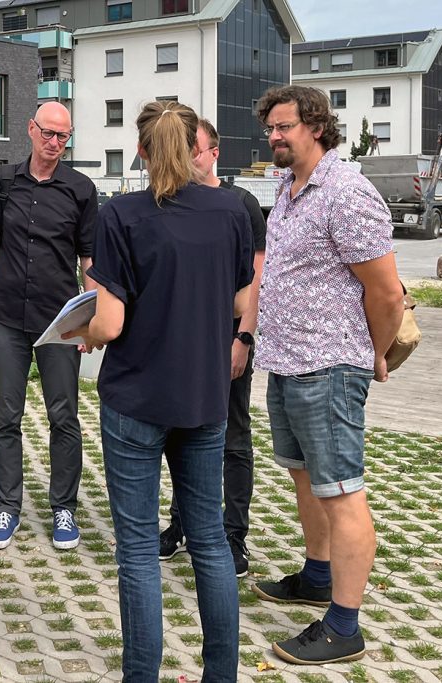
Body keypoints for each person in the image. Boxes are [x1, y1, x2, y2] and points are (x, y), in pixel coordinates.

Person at [70, 100, 253, 682]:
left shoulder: (120, 214)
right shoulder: (231, 211)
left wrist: (83, 330)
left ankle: (141, 675)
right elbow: (235, 295)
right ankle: (220, 673)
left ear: (143, 150)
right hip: (204, 398)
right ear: (194, 146)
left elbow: (111, 323)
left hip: (137, 400)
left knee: (138, 552)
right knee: (210, 542)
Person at [251, 85, 403, 666]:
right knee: (305, 478)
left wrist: (374, 353)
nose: (274, 136)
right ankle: (317, 576)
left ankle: (344, 625)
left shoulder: (346, 192)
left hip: (330, 366)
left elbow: (386, 292)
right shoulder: (289, 188)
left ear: (316, 126)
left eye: (283, 127)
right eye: (270, 128)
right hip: (287, 361)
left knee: (341, 491)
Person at [0, 102, 98, 551]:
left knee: (64, 416)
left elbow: (88, 260)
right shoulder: (4, 184)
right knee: (6, 415)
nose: (54, 142)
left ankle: (64, 508)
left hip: (58, 320)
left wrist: (87, 319)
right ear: (31, 129)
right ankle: (8, 507)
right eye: (48, 133)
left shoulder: (81, 190)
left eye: (63, 136)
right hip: (5, 316)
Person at [159, 118, 266, 577]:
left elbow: (255, 280)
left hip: (227, 338)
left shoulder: (240, 205)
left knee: (233, 437)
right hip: (183, 342)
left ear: (215, 152)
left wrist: (242, 337)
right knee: (181, 433)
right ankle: (179, 524)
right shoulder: (172, 202)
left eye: (196, 150)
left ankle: (233, 535)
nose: (190, 158)